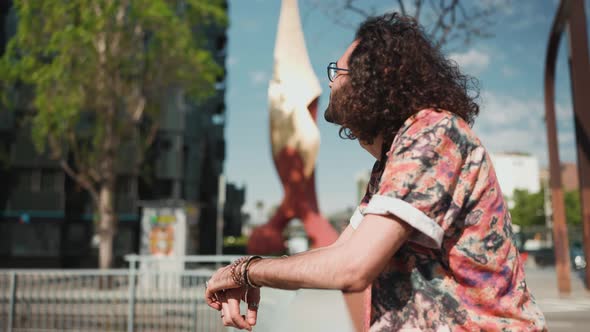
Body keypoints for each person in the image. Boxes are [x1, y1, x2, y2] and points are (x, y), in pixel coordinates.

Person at [205, 12, 547, 331]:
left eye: (337, 73)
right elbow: (338, 254)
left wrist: (248, 272)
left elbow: (353, 267)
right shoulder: (390, 163)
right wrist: (247, 271)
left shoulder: (434, 134)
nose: (331, 84)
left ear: (373, 80)